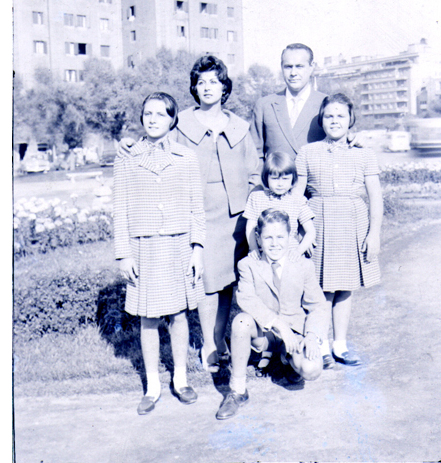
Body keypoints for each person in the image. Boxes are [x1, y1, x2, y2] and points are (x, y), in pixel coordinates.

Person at [119, 55, 260, 373]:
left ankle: (220, 338)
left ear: (224, 86)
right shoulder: (180, 123)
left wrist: (249, 205)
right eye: (202, 81)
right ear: (194, 87)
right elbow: (154, 143)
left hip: (235, 218)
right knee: (207, 282)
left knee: (228, 282)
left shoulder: (239, 126)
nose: (208, 87)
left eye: (215, 81)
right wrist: (130, 144)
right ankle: (209, 345)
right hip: (197, 214)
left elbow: (254, 171)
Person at [113, 92, 206, 415]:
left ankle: (180, 379)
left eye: (160, 114)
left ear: (172, 120)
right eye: (147, 114)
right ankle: (152, 386)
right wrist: (124, 254)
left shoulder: (186, 156)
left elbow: (197, 207)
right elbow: (120, 209)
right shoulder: (127, 157)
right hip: (144, 246)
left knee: (179, 315)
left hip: (178, 244)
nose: (152, 119)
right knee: (149, 318)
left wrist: (197, 249)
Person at [295, 93, 383, 367]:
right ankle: (318, 344)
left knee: (345, 287)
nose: (334, 120)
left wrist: (374, 233)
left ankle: (340, 345)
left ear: (351, 120)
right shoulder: (308, 151)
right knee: (320, 288)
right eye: (329, 116)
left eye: (341, 116)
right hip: (318, 223)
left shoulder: (364, 153)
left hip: (353, 224)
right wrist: (301, 231)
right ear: (322, 120)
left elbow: (375, 196)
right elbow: (297, 194)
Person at [216, 209, 328, 420]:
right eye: (268, 237)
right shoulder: (247, 265)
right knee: (241, 321)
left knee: (312, 369)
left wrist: (312, 336)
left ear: (291, 238)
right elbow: (246, 299)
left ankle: (288, 360)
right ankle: (237, 390)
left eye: (280, 237)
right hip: (265, 333)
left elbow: (318, 306)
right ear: (258, 238)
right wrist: (279, 325)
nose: (274, 243)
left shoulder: (303, 265)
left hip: (295, 332)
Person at [243, 151, 316, 372]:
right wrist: (255, 251)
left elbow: (311, 231)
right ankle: (268, 347)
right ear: (266, 179)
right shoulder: (257, 198)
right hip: (266, 258)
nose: (280, 183)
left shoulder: (297, 200)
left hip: (289, 260)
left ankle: (291, 344)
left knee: (288, 301)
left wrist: (299, 251)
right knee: (266, 301)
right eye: (274, 177)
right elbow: (249, 228)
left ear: (293, 179)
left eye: (285, 178)